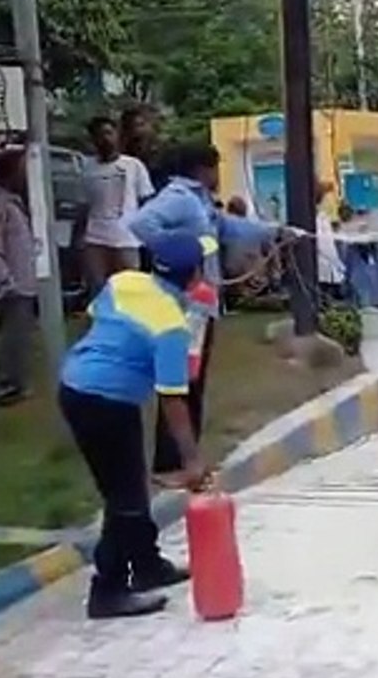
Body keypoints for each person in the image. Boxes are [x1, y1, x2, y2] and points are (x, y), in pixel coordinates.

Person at [59, 230, 214, 618]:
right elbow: (173, 400)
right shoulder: (171, 327)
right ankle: (107, 591)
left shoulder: (123, 282)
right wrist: (192, 461)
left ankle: (146, 566)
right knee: (124, 497)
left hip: (78, 385)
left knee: (130, 484)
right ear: (193, 276)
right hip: (103, 402)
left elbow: (97, 316)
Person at [122, 142, 288, 484]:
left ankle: (186, 459)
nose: (218, 174)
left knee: (192, 382)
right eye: (215, 167)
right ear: (202, 169)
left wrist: (277, 232)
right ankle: (169, 464)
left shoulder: (200, 202)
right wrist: (178, 251)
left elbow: (229, 227)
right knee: (178, 383)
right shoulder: (180, 196)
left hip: (202, 303)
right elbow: (141, 224)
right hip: (184, 306)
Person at [0, 150, 37, 406]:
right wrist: (5, 280)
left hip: (24, 280)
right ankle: (10, 385)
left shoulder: (16, 201)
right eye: (22, 169)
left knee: (20, 335)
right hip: (11, 284)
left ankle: (17, 382)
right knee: (11, 336)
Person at [82, 116, 154, 291]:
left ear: (117, 135)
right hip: (95, 238)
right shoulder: (87, 168)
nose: (105, 138)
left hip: (126, 239)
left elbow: (146, 200)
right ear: (93, 140)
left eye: (109, 133)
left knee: (130, 289)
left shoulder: (133, 166)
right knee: (100, 289)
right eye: (99, 135)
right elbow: (83, 204)